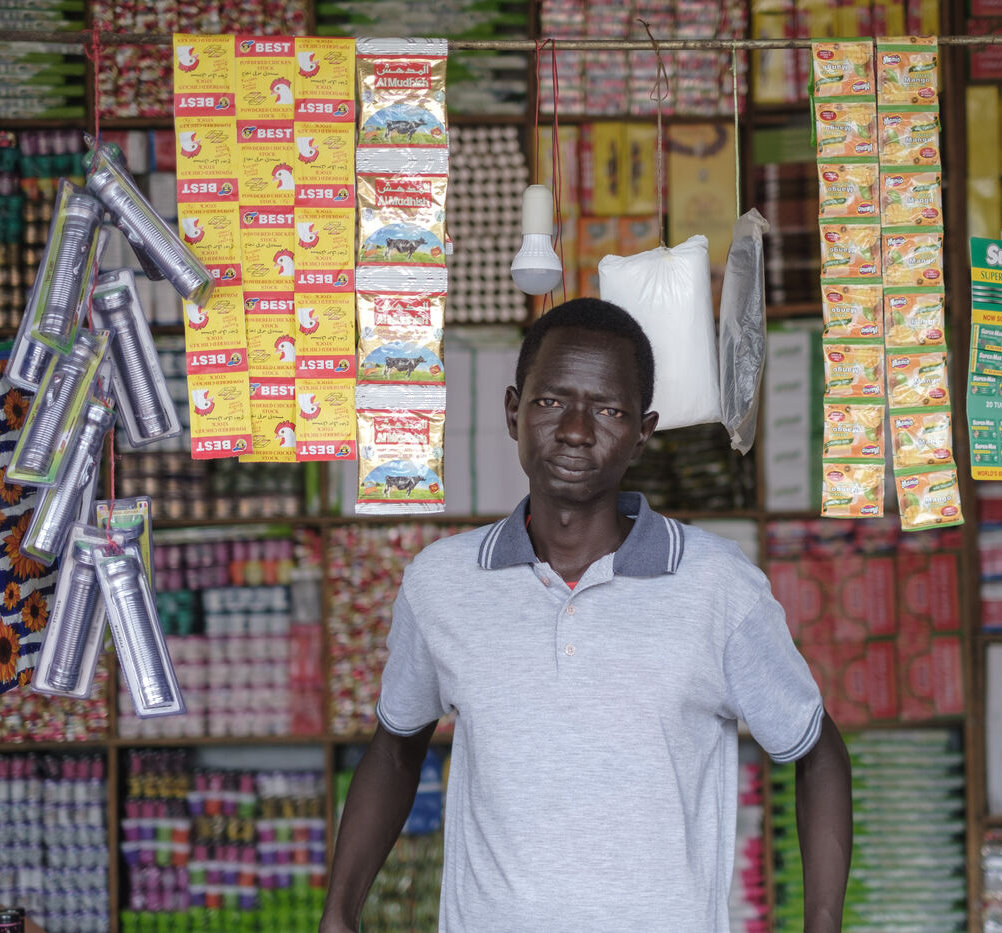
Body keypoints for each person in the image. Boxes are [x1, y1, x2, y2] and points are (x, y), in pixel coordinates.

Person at [321, 298, 852, 933]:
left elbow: (817, 750)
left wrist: (823, 924)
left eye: (608, 410)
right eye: (551, 401)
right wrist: (338, 915)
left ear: (643, 432)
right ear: (513, 411)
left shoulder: (716, 586)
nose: (575, 430)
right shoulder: (443, 584)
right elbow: (395, 751)